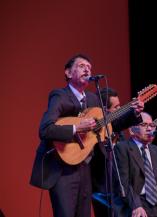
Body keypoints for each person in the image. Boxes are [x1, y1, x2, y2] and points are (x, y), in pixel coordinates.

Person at [30, 54, 144, 217]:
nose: (87, 69)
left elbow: (111, 124)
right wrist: (76, 127)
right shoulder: (59, 96)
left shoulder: (93, 98)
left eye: (89, 67)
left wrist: (134, 113)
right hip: (63, 169)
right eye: (82, 66)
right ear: (68, 73)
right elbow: (45, 129)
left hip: (85, 167)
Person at [92, 87, 127, 217]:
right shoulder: (93, 134)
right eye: (116, 107)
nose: (120, 110)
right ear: (105, 110)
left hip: (120, 190)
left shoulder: (119, 131)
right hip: (101, 191)